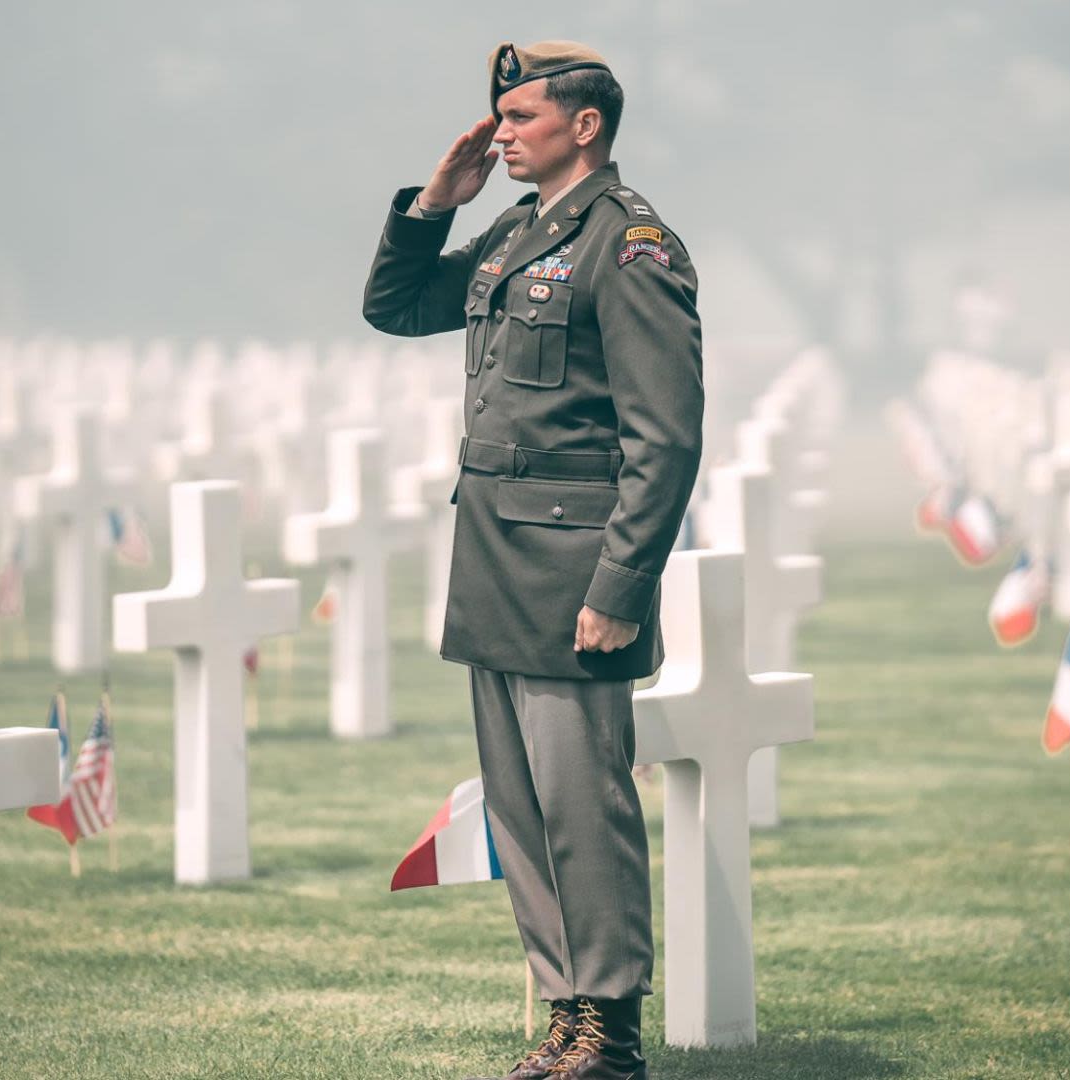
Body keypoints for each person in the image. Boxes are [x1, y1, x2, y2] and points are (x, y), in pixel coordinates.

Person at [362, 39, 703, 1080]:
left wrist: (620, 588)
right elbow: (398, 308)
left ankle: (613, 1030)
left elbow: (666, 436)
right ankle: (566, 1014)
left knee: (581, 804)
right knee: (520, 805)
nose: (500, 133)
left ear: (584, 124)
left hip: (571, 573)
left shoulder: (629, 244)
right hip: (496, 558)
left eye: (520, 118)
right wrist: (436, 204)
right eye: (500, 118)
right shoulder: (516, 231)